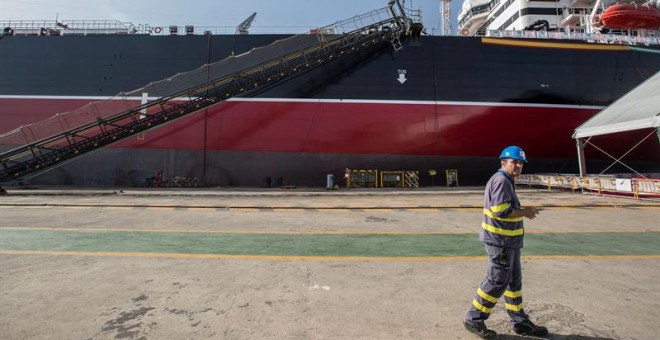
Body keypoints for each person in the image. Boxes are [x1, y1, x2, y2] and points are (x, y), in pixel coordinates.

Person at [463, 146, 548, 339]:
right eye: (514, 162)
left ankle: (519, 321)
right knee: (497, 281)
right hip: (500, 242)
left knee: (513, 282)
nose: (518, 166)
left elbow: (506, 208)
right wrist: (526, 212)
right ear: (503, 163)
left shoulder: (507, 180)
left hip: (510, 242)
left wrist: (524, 210)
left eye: (520, 163)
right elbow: (501, 211)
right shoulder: (501, 181)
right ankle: (474, 318)